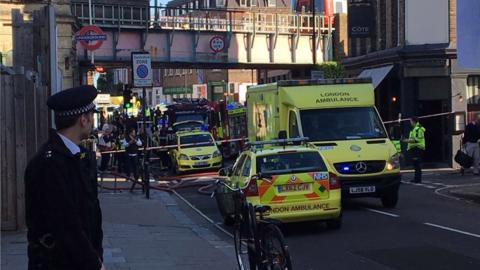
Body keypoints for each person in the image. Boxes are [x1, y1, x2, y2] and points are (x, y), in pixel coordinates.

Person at [24, 85, 104, 270]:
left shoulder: (80, 156)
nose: (92, 121)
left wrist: (96, 255)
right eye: (91, 116)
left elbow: (92, 214)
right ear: (83, 119)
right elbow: (65, 223)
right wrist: (93, 263)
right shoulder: (49, 164)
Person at [403, 117, 426, 183]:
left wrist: (405, 140)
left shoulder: (417, 129)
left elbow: (416, 140)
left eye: (411, 121)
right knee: (416, 165)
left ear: (413, 121)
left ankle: (417, 179)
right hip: (415, 149)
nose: (410, 123)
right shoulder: (414, 129)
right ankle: (416, 179)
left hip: (417, 148)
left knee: (417, 165)